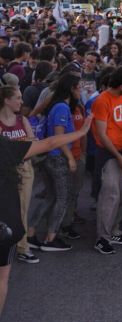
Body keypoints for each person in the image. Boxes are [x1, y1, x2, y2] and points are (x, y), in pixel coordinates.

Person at [0, 115, 92, 315]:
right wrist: (81, 132)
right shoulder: (5, 147)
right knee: (1, 280)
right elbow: (49, 143)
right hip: (4, 227)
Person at [27, 73, 83, 252]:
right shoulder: (61, 107)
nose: (81, 90)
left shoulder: (58, 105)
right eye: (79, 87)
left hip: (50, 156)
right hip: (57, 157)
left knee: (51, 196)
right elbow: (59, 136)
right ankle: (51, 237)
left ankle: (30, 233)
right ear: (71, 88)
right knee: (62, 197)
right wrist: (70, 157)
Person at [93, 67, 122, 254]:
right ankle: (102, 238)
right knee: (110, 195)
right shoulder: (102, 101)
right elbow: (102, 135)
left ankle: (113, 230)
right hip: (109, 153)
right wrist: (118, 156)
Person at [0, 86, 38, 263]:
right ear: (6, 100)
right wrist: (21, 143)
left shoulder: (22, 120)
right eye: (18, 98)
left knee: (22, 208)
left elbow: (33, 142)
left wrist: (13, 144)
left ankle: (22, 246)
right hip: (4, 172)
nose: (21, 102)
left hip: (24, 169)